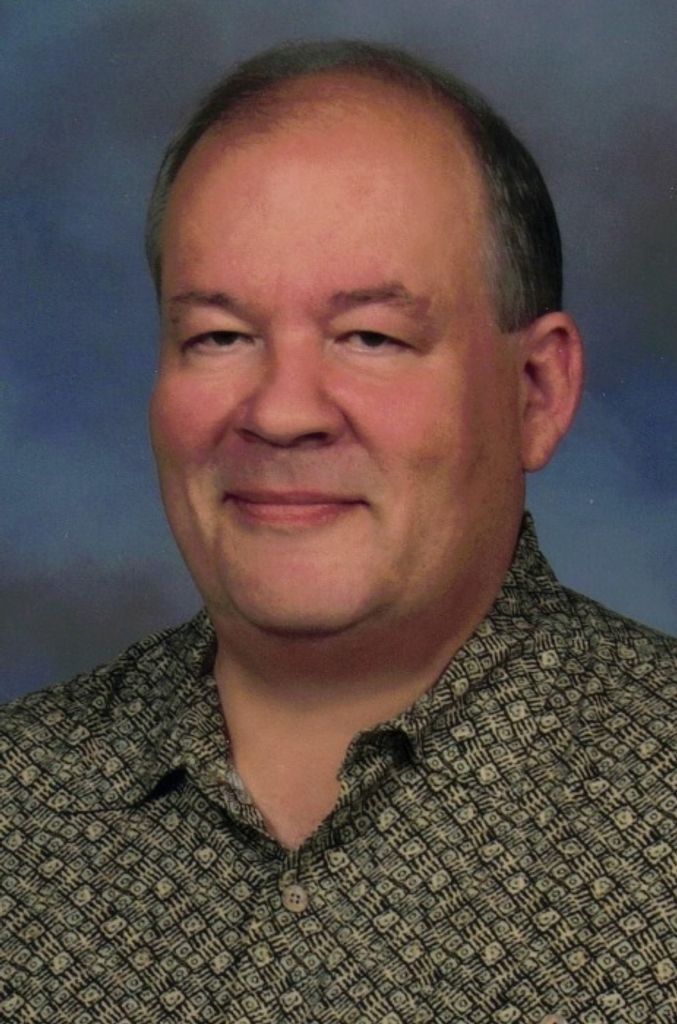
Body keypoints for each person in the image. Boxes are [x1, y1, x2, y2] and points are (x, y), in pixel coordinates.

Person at [1, 39, 674, 1024]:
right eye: (219, 336)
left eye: (369, 337)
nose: (281, 413)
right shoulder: (18, 802)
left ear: (535, 392)